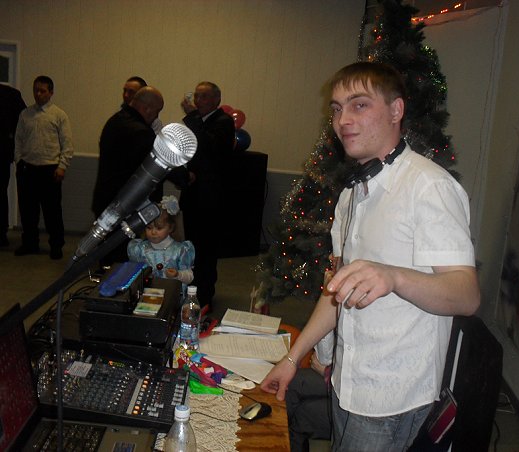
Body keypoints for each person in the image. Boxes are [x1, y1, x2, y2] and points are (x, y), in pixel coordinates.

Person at [260, 62, 480, 451]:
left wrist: (393, 276)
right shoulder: (351, 194)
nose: (342, 120)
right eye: (336, 108)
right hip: (347, 379)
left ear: (396, 110)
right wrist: (293, 359)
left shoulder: (429, 187)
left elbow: (466, 295)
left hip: (391, 397)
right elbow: (337, 291)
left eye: (359, 105)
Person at [92, 85, 164, 266]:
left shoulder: (116, 120)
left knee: (106, 254)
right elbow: (157, 161)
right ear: (147, 108)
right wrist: (185, 177)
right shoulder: (140, 131)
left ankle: (106, 278)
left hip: (106, 199)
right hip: (123, 205)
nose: (156, 117)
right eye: (157, 112)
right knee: (120, 259)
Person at [179, 81, 236, 309]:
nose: (198, 101)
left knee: (206, 250)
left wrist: (192, 116)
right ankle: (191, 290)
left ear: (216, 100)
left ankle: (205, 296)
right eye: (196, 96)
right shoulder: (199, 121)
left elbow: (209, 145)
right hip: (193, 195)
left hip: (211, 199)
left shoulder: (223, 122)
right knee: (192, 248)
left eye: (203, 96)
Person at [14, 75, 74, 259]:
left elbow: (67, 144)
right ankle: (29, 243)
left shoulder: (59, 115)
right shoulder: (25, 114)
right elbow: (18, 140)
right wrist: (19, 161)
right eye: (36, 90)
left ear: (50, 92)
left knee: (52, 212)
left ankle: (56, 245)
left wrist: (62, 166)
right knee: (28, 211)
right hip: (28, 169)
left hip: (50, 170)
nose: (38, 94)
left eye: (42, 91)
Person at [127, 195, 195, 294]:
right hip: (147, 296)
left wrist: (177, 274)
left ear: (170, 227)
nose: (153, 232)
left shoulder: (180, 250)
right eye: (149, 228)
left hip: (172, 296)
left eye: (159, 228)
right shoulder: (139, 249)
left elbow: (190, 277)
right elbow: (132, 274)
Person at [286, 332, 333, 452]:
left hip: (357, 395)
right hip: (338, 371)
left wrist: (326, 372)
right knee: (291, 381)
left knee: (303, 415)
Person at [0, 84, 26, 246]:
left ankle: (1, 233)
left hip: (2, 154)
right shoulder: (10, 94)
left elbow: (23, 122)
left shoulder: (10, 95)